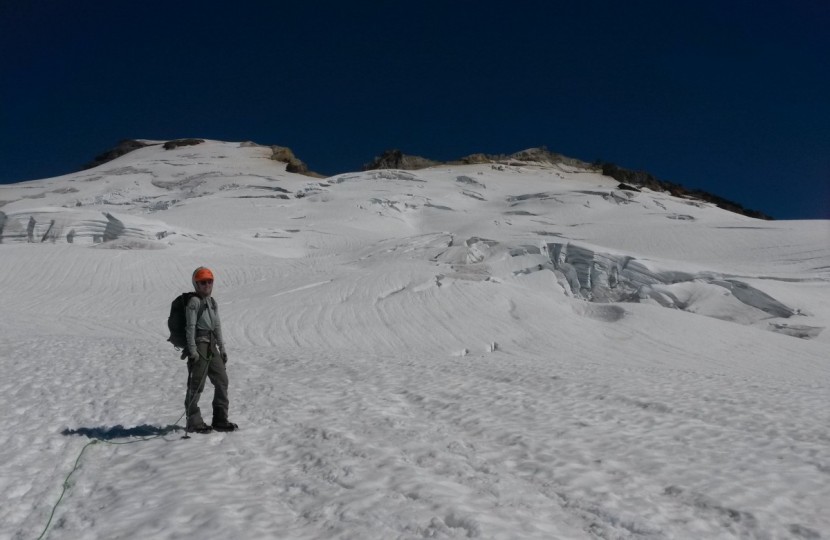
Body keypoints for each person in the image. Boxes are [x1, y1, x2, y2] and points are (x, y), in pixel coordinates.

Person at [184, 266, 237, 433]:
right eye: (202, 282)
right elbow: (190, 327)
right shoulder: (194, 302)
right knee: (197, 384)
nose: (207, 285)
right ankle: (194, 421)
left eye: (209, 281)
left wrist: (222, 348)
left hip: (211, 345)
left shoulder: (212, 302)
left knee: (222, 381)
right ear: (196, 284)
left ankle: (220, 419)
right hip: (199, 344)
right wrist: (192, 350)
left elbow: (217, 325)